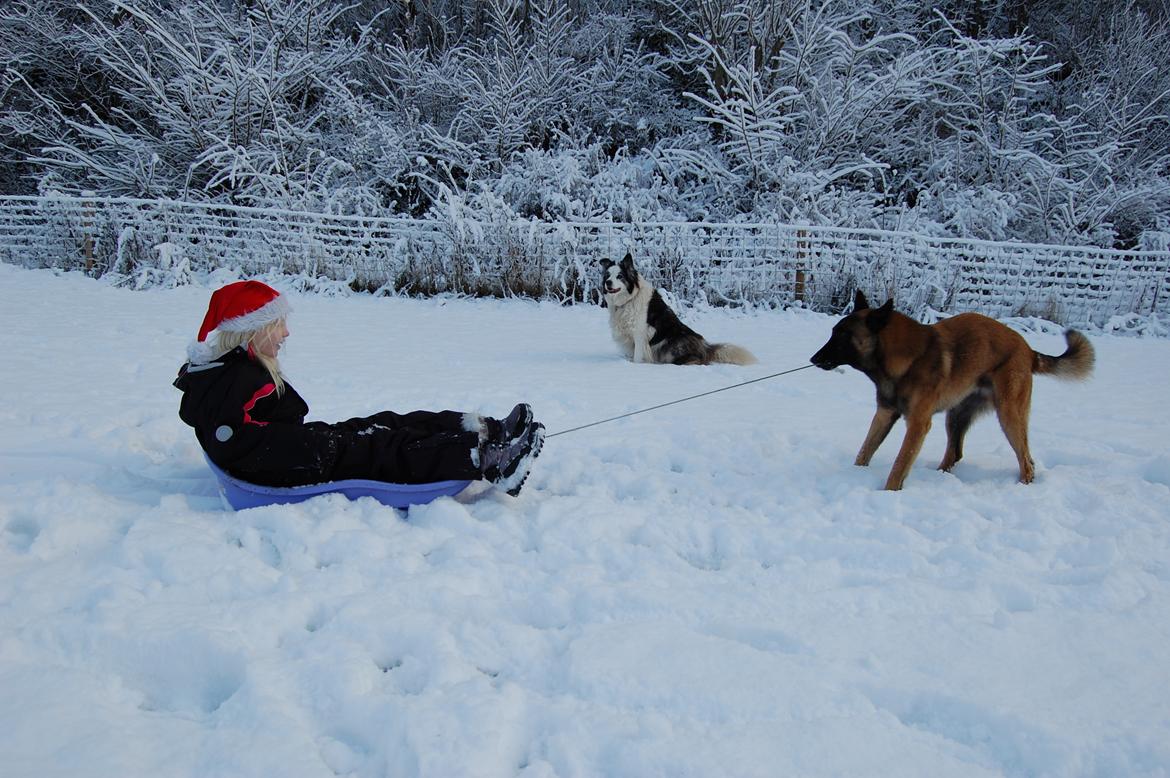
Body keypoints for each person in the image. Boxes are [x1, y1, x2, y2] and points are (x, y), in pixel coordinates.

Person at [173, 280, 544, 496]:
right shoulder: (234, 379)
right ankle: (487, 459)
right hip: (280, 461)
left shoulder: (231, 371)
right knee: (380, 448)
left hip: (285, 447)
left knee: (385, 422)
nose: (286, 334)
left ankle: (488, 431)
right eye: (279, 326)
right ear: (254, 331)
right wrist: (317, 447)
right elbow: (241, 445)